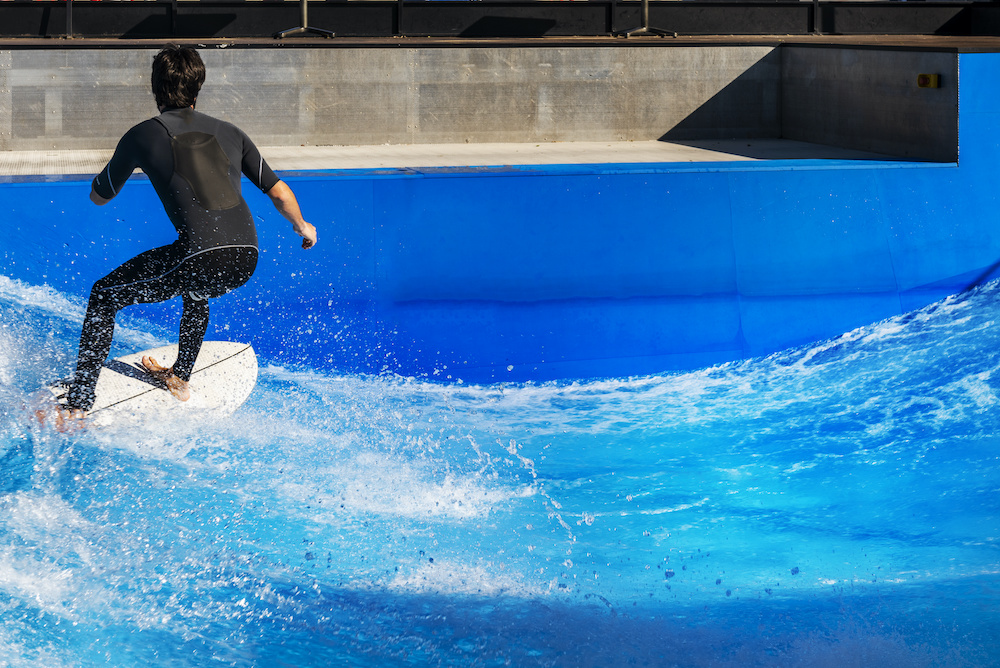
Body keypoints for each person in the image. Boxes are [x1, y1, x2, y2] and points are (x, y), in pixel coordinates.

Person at [59, 45, 317, 420]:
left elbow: (101, 196)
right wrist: (302, 226)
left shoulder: (142, 134)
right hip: (246, 257)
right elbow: (278, 192)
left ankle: (78, 405)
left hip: (199, 256)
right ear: (198, 88)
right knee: (196, 285)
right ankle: (179, 377)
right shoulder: (233, 132)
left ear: (155, 89)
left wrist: (108, 175)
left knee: (104, 295)